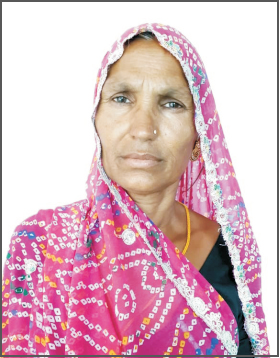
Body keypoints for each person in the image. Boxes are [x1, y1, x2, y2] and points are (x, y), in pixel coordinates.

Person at [2, 23, 270, 357]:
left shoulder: (232, 253)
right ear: (96, 119)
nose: (143, 129)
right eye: (122, 98)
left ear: (199, 136)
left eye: (171, 104)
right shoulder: (41, 246)